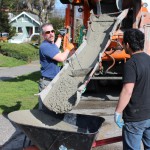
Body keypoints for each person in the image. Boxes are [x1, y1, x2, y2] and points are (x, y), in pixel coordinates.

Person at [114, 28, 150, 150]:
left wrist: (118, 112)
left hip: (135, 118)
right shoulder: (149, 59)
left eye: (123, 43)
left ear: (127, 44)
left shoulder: (131, 63)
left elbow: (127, 90)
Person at [39, 23, 74, 110]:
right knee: (46, 111)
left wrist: (60, 37)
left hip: (53, 81)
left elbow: (55, 47)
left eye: (52, 31)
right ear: (43, 35)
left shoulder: (50, 45)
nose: (51, 34)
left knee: (54, 108)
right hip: (48, 83)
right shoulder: (45, 47)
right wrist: (68, 49)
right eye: (48, 32)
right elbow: (61, 58)